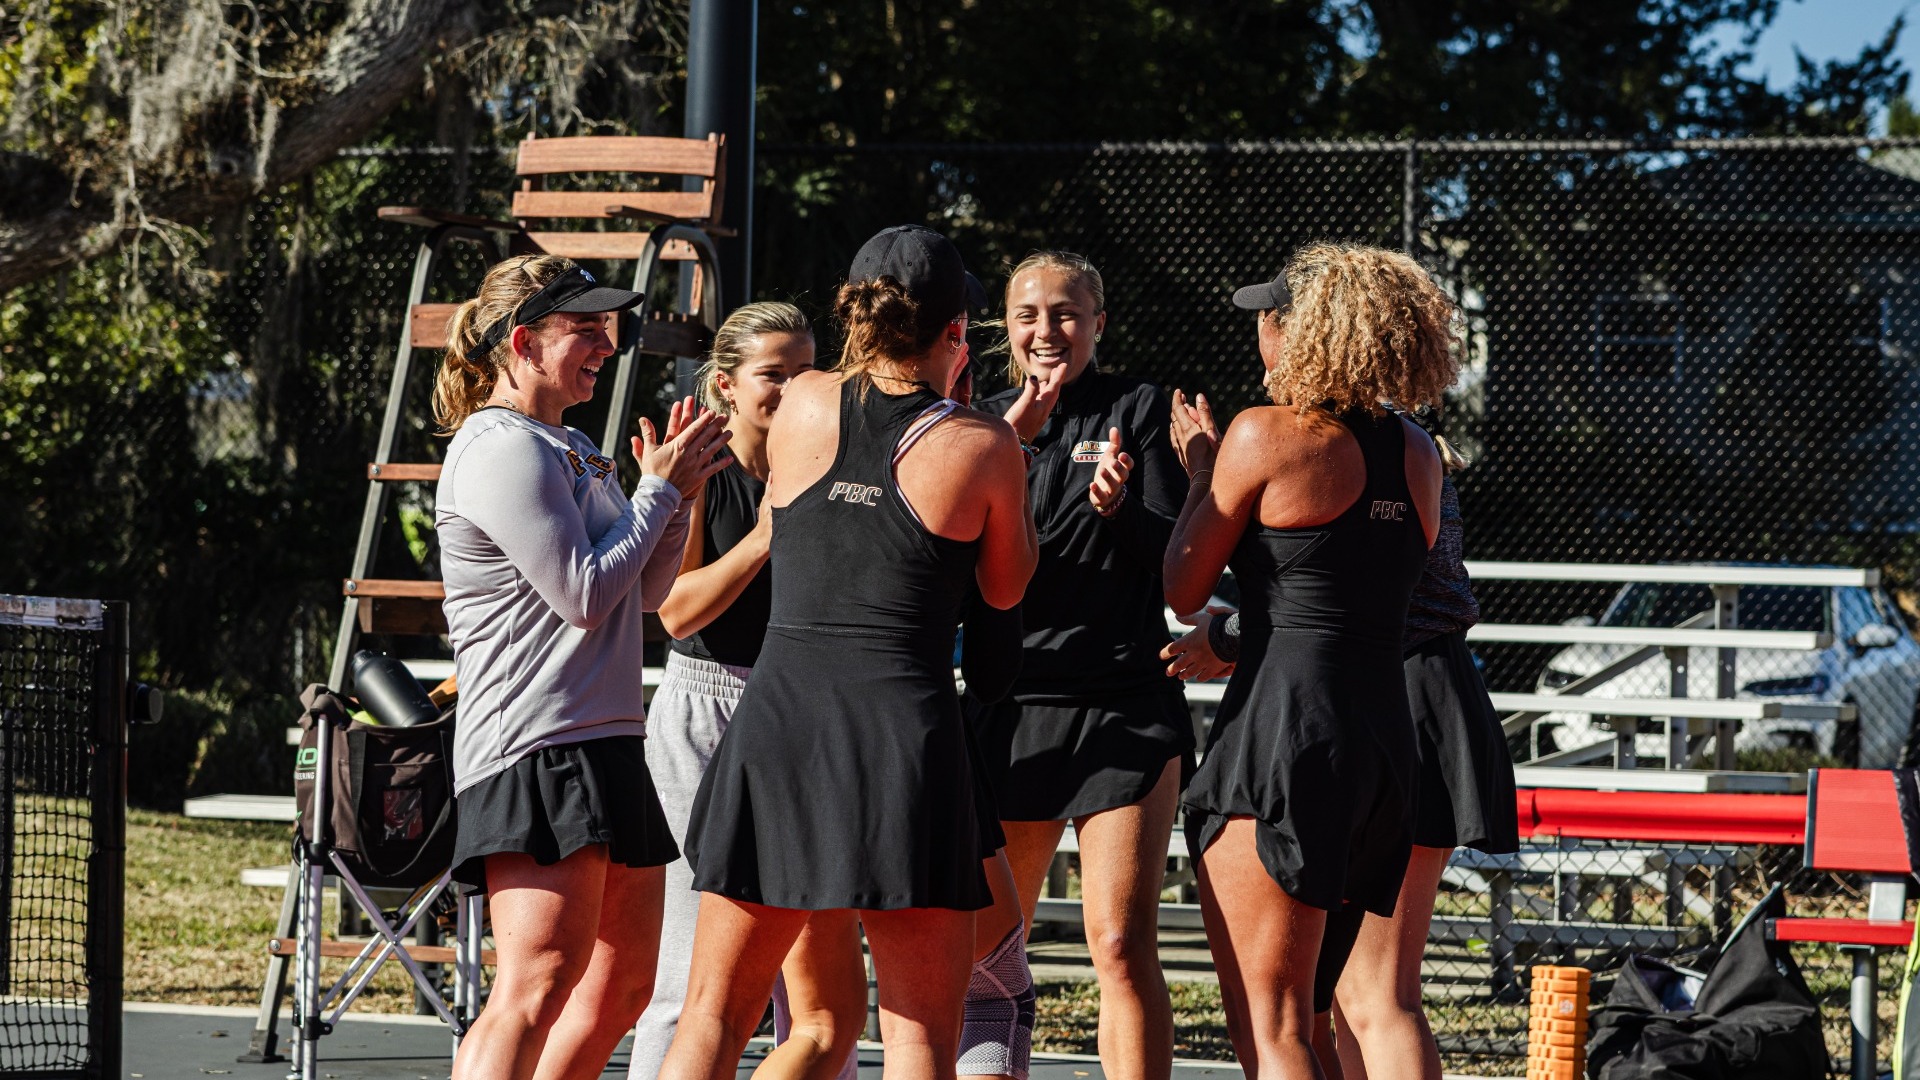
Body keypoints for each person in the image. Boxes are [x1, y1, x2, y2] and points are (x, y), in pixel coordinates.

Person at [660, 225, 1039, 1080]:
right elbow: (1006, 591)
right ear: (958, 330)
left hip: (781, 727)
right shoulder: (983, 445)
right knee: (917, 1042)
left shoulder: (800, 402)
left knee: (714, 1017)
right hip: (903, 740)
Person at [433, 254, 734, 1080]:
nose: (607, 344)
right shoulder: (499, 448)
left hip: (604, 740)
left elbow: (645, 599)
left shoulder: (570, 445)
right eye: (585, 329)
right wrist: (658, 495)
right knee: (537, 984)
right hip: (535, 743)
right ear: (525, 343)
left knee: (622, 985)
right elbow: (583, 595)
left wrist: (677, 499)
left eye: (608, 327)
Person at [1162, 243, 1457, 1080]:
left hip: (1282, 737)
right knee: (1329, 1016)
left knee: (1276, 1027)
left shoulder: (1266, 434)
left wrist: (1201, 471)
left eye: (1270, 315)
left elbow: (1185, 586)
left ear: (1305, 330)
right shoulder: (1419, 453)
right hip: (1384, 747)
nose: (1261, 330)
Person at [1162, 408, 1519, 1080]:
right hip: (1410, 705)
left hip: (1360, 701)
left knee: (1345, 1005)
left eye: (1277, 319)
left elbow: (1340, 594)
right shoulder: (1413, 446)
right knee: (1354, 1004)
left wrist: (1231, 633)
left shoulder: (1313, 438)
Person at [628, 302, 869, 1080]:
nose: (795, 387)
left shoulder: (828, 459)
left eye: (807, 370)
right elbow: (676, 610)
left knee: (811, 1002)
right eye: (775, 374)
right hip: (707, 706)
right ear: (727, 385)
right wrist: (768, 535)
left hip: (802, 711)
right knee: (691, 974)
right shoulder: (706, 468)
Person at [967, 251, 1190, 1080]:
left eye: (1065, 312)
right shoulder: (980, 421)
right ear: (1005, 328)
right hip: (1012, 708)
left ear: (1099, 321)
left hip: (1124, 706)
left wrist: (1125, 512)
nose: (1046, 330)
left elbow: (1184, 565)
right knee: (995, 951)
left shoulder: (1139, 409)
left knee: (1121, 944)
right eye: (1028, 313)